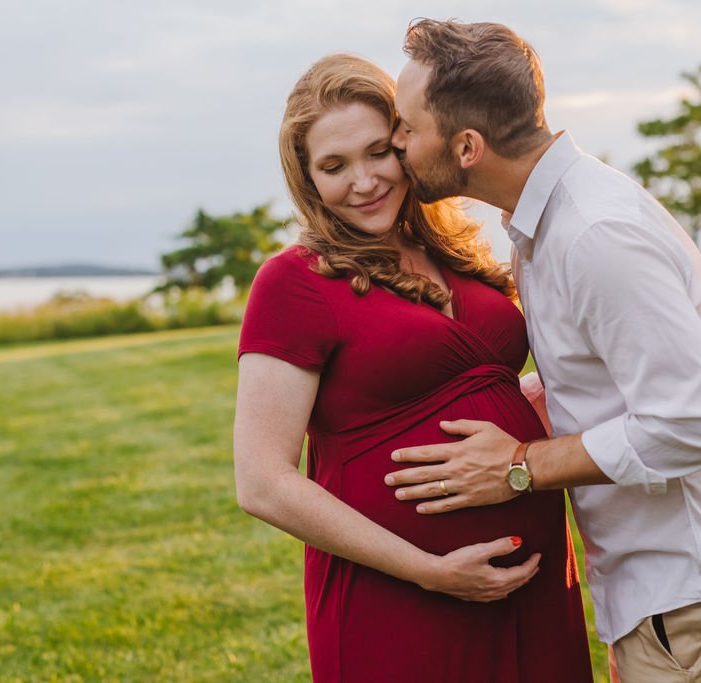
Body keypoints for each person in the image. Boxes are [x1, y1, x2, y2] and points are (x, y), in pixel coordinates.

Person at [386, 19, 701, 682]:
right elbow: (603, 381)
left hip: (697, 594)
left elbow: (695, 422)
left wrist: (520, 465)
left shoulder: (593, 234)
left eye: (407, 124)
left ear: (467, 145)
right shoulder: (544, 226)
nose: (395, 140)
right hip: (662, 599)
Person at [233, 53, 593, 682]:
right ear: (307, 179)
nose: (365, 180)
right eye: (334, 166)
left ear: (407, 142)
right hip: (399, 596)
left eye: (378, 151)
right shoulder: (295, 280)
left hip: (532, 585)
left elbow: (489, 385)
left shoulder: (455, 254)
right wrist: (428, 570)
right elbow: (262, 481)